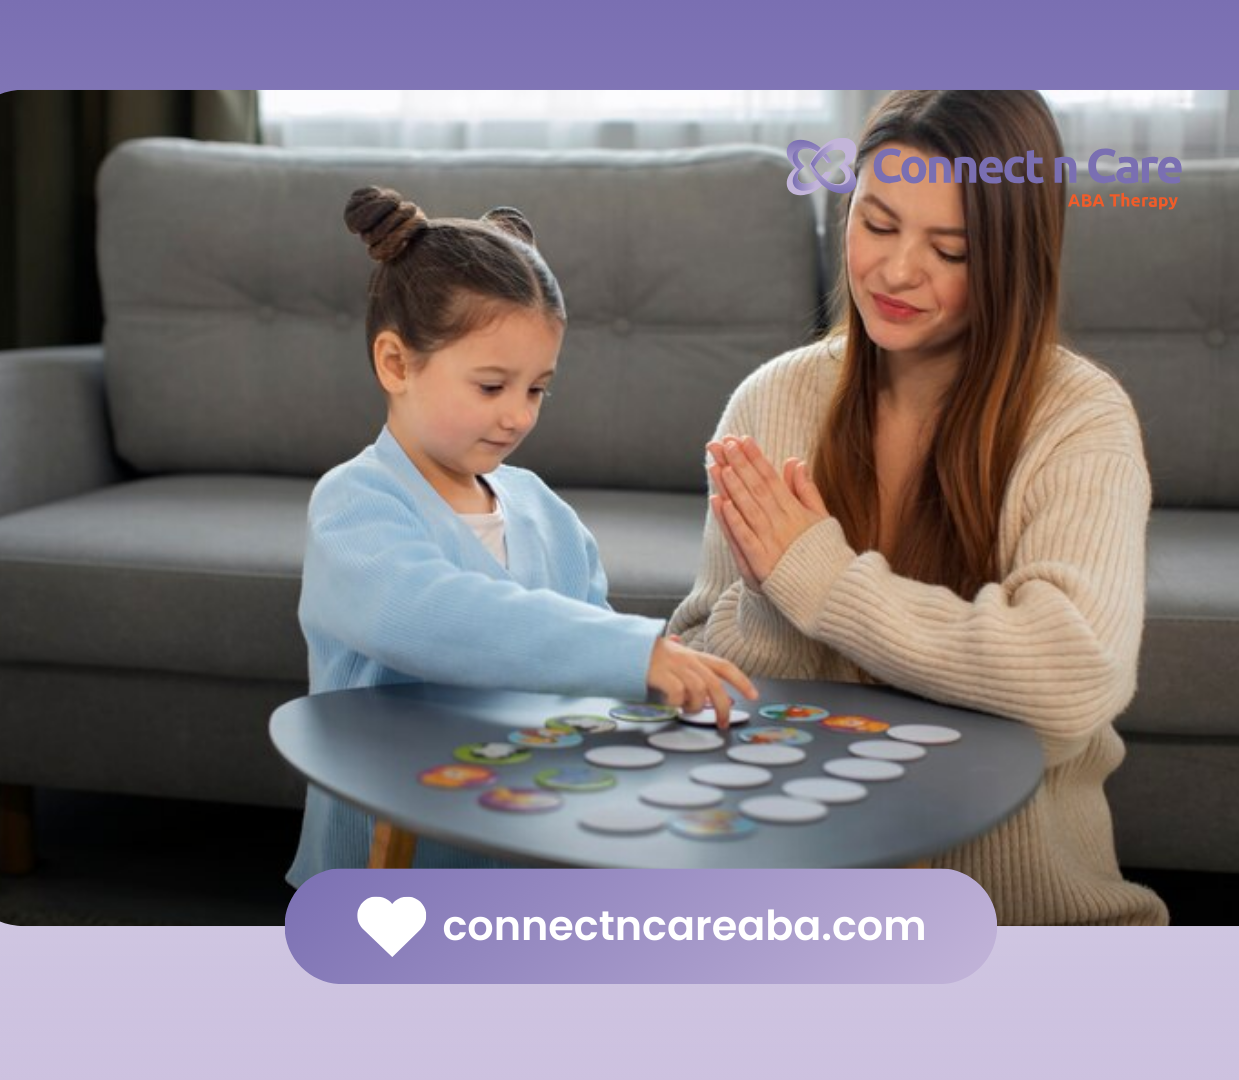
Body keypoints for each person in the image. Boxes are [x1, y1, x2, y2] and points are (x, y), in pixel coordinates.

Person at [669, 91, 1169, 925]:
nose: (898, 271)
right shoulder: (771, 401)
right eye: (877, 223)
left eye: (951, 247)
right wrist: (768, 602)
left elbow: (1074, 676)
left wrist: (819, 580)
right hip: (807, 903)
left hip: (1018, 914)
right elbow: (692, 668)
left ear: (1014, 257)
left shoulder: (1078, 417)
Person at [287, 187, 755, 884]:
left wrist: (665, 684)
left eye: (536, 389)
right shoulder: (356, 504)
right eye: (490, 386)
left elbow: (586, 646)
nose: (516, 416)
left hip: (526, 840)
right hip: (395, 863)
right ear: (396, 365)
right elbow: (434, 615)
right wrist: (633, 651)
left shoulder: (544, 510)